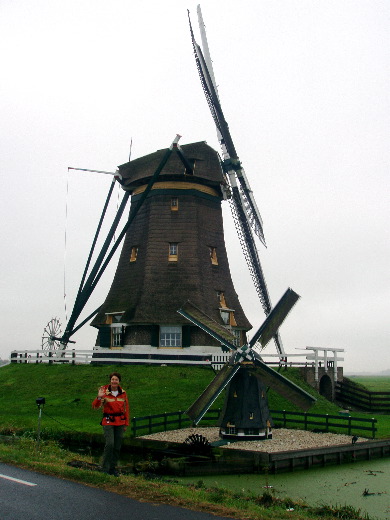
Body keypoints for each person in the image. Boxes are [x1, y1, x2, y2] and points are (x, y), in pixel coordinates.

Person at [92, 372, 129, 476]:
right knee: (110, 444)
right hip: (108, 421)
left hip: (120, 421)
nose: (114, 381)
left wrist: (126, 423)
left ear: (119, 381)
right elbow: (95, 406)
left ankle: (112, 468)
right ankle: (105, 467)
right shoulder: (104, 391)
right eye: (113, 379)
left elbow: (126, 409)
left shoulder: (123, 393)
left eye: (116, 380)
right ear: (110, 380)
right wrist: (98, 397)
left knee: (117, 446)